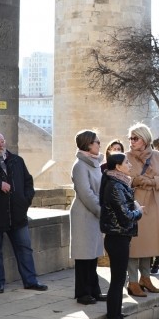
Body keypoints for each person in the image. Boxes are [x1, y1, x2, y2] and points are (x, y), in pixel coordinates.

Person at [0, 133, 48, 294]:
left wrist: (25, 201)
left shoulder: (17, 161)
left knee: (24, 248)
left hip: (17, 214)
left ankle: (30, 281)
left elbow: (28, 182)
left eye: (2, 141)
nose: (0, 145)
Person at [99, 152, 144, 319]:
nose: (130, 165)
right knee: (117, 283)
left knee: (119, 281)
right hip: (117, 237)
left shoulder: (119, 183)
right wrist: (139, 212)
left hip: (120, 236)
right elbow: (125, 215)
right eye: (126, 163)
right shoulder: (115, 185)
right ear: (117, 166)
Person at [126, 123, 159, 297]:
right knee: (135, 244)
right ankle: (132, 281)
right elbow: (126, 178)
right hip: (135, 204)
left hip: (154, 205)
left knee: (149, 243)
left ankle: (146, 278)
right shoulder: (125, 157)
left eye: (135, 138)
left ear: (145, 139)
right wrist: (143, 180)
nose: (132, 141)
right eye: (130, 138)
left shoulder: (158, 156)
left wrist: (149, 181)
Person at [70, 130, 105, 305]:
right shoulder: (80, 166)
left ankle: (94, 290)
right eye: (97, 142)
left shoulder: (94, 164)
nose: (100, 144)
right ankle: (83, 293)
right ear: (88, 144)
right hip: (84, 214)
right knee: (84, 255)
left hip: (94, 214)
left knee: (93, 254)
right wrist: (101, 210)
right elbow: (86, 193)